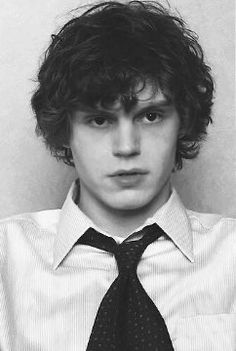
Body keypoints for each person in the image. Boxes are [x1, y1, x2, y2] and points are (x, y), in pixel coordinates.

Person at [0, 1, 235, 350]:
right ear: (64, 130)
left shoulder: (231, 255)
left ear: (182, 120)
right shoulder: (6, 260)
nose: (127, 147)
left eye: (151, 116)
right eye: (100, 119)